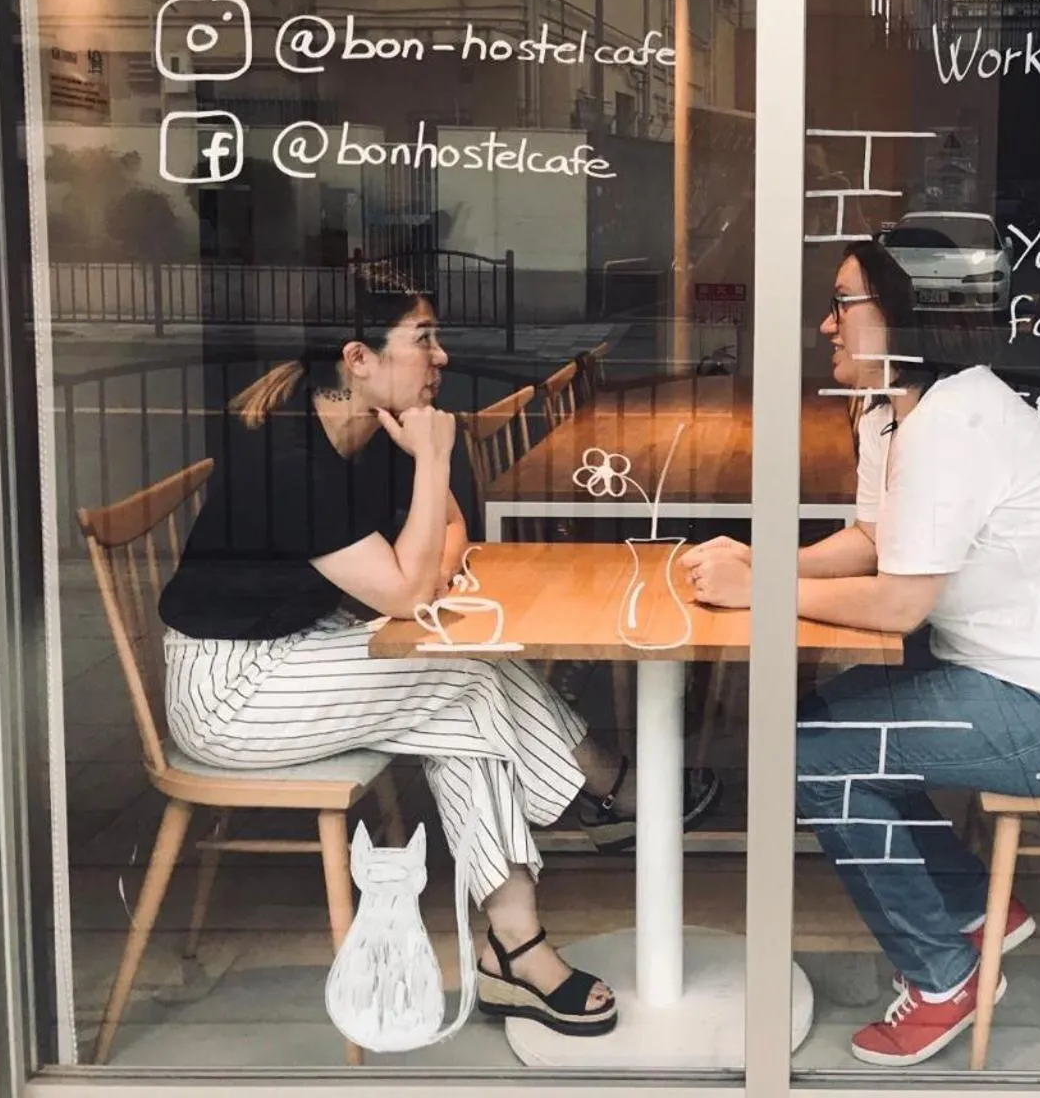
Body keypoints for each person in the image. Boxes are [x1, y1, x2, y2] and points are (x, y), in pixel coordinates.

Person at [157, 262, 715, 1038]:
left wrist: (423, 554)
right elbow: (408, 591)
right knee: (465, 676)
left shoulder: (375, 428)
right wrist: (430, 467)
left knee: (465, 684)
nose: (441, 355)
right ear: (359, 358)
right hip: (230, 692)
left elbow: (450, 535)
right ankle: (604, 797)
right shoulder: (291, 459)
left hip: (300, 650)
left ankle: (522, 936)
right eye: (424, 338)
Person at [681, 240, 1040, 1066]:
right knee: (819, 718)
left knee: (814, 753)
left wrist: (755, 587)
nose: (826, 325)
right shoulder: (895, 409)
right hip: (1020, 677)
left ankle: (944, 979)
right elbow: (875, 541)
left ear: (905, 315)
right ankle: (978, 904)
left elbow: (900, 604)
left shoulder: (954, 425)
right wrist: (760, 561)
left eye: (843, 303)